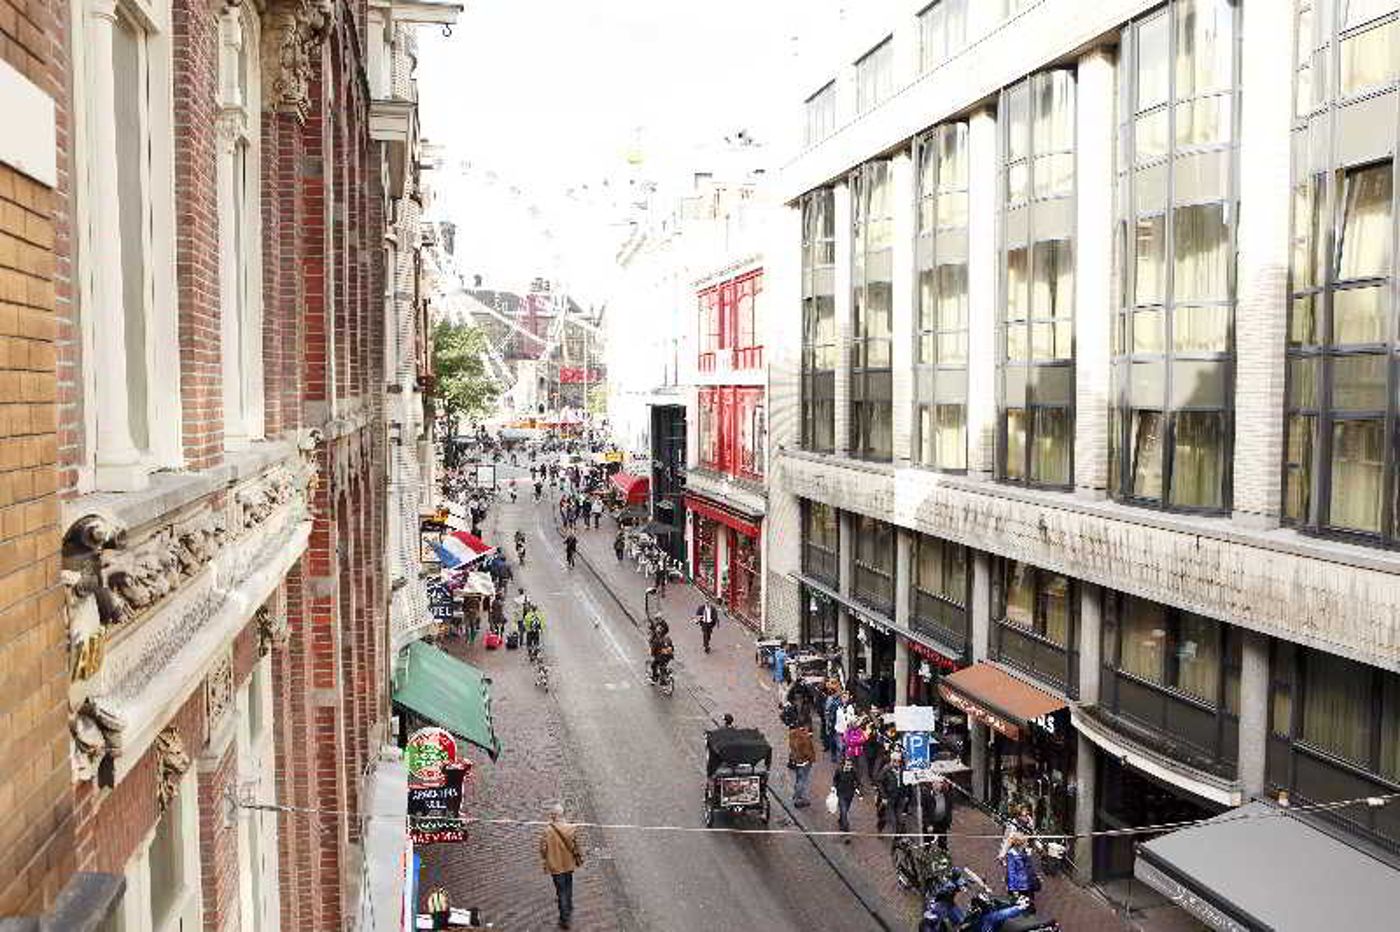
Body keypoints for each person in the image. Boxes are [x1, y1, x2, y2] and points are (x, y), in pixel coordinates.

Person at [539, 803, 584, 929]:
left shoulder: (547, 831)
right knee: (568, 886)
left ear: (553, 816)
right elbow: (576, 846)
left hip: (555, 866)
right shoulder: (571, 828)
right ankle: (569, 907)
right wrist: (579, 857)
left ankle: (564, 918)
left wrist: (545, 857)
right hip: (568, 864)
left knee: (561, 891)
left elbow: (543, 849)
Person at [1003, 832, 1039, 910]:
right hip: (1020, 885)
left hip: (1028, 883)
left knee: (1029, 903)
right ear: (1020, 844)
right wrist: (1013, 889)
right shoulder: (1012, 855)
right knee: (1020, 905)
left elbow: (1029, 867)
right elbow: (1011, 872)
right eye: (1025, 842)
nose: (1027, 843)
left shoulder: (1024, 851)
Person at [787, 723, 816, 807]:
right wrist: (811, 758)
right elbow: (807, 752)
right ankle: (799, 798)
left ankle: (796, 795)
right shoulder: (804, 738)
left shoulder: (792, 734)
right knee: (803, 780)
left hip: (796, 761)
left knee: (798, 778)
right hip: (804, 762)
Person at [834, 758, 858, 838]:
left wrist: (857, 789)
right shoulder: (839, 771)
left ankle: (841, 821)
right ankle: (846, 831)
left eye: (850, 765)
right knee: (844, 810)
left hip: (850, 794)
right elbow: (835, 780)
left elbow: (856, 781)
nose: (849, 766)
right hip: (841, 793)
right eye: (847, 765)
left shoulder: (853, 771)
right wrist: (835, 787)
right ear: (844, 764)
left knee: (845, 810)